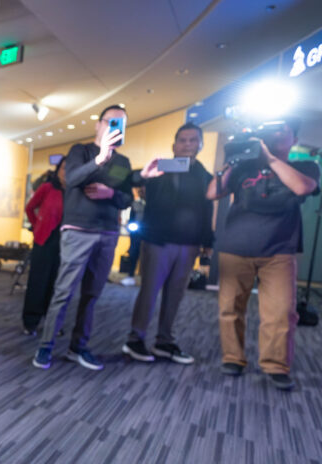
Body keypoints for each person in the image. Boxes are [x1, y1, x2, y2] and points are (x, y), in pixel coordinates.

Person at [206, 117, 319, 391]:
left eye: (285, 130)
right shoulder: (243, 166)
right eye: (274, 129)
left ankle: (276, 365)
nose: (278, 133)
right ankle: (233, 358)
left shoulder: (305, 166)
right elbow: (213, 193)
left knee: (281, 313)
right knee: (230, 308)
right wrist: (231, 162)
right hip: (236, 247)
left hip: (280, 251)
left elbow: (303, 188)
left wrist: (268, 158)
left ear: (294, 138)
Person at [32, 105, 137, 370]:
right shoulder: (81, 151)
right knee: (64, 292)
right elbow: (73, 178)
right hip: (78, 231)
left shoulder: (123, 163)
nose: (115, 127)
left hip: (108, 234)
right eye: (111, 122)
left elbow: (126, 199)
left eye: (121, 123)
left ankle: (78, 347)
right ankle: (45, 347)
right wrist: (100, 159)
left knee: (92, 294)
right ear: (99, 125)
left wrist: (109, 193)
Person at [122, 122, 213, 365]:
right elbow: (130, 178)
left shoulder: (204, 175)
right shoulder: (162, 167)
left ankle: (164, 342)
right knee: (149, 292)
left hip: (189, 244)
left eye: (193, 140)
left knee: (175, 295)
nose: (187, 144)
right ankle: (135, 339)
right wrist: (142, 175)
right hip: (158, 242)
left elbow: (207, 209)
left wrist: (207, 241)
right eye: (183, 140)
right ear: (174, 145)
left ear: (200, 145)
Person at [21, 156, 66, 335]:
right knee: (38, 282)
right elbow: (30, 207)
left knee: (57, 284)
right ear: (58, 170)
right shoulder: (48, 187)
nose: (66, 172)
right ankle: (30, 322)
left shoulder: (75, 192)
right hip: (45, 240)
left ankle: (52, 321)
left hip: (65, 243)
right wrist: (36, 226)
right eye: (63, 168)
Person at [120, 186, 145, 287]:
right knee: (133, 254)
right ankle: (130, 275)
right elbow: (131, 219)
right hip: (136, 234)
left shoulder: (153, 205)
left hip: (149, 236)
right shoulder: (135, 204)